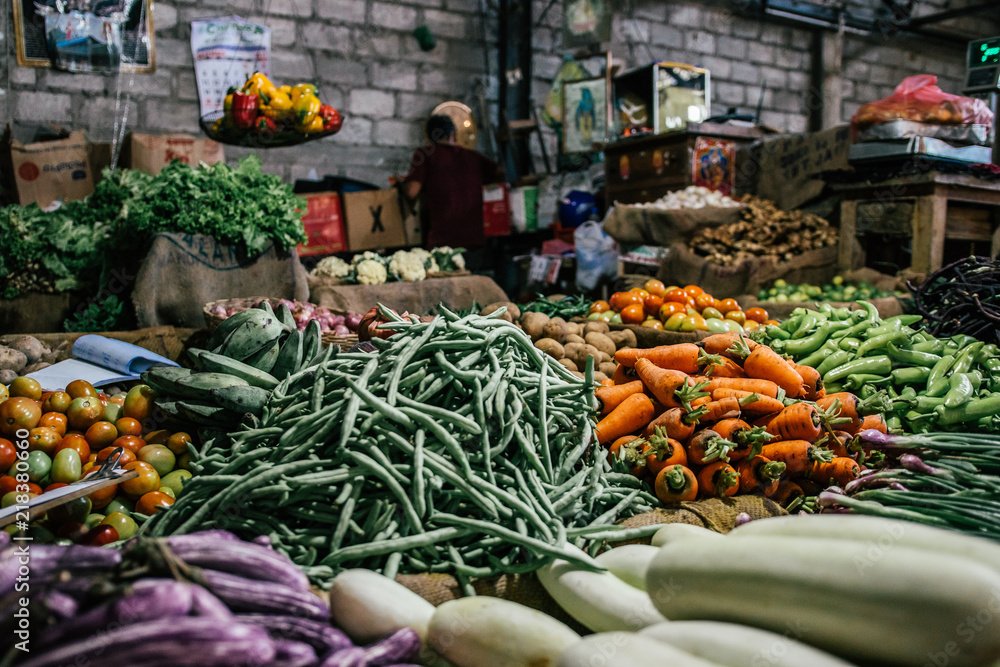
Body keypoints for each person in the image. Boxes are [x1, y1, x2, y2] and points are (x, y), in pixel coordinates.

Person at [402, 115, 501, 267]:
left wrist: (401, 184)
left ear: (429, 137)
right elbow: (500, 173)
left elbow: (411, 192)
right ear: (453, 135)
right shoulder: (473, 157)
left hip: (442, 243)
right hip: (475, 242)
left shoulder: (426, 155)